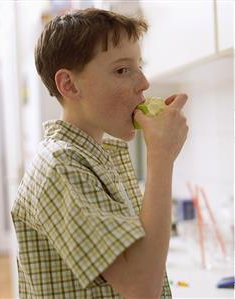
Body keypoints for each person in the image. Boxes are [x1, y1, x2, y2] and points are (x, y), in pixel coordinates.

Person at [11, 7, 188, 299]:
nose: (144, 82)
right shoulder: (62, 166)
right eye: (122, 70)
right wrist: (162, 156)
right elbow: (141, 287)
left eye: (139, 65)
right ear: (69, 85)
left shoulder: (95, 157)